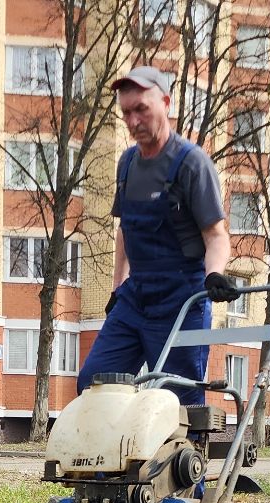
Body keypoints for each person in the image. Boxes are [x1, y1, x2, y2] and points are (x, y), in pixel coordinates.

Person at [77, 66, 237, 407]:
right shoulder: (127, 164)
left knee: (179, 401)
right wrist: (118, 287)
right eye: (126, 113)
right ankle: (120, 443)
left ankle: (180, 445)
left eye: (141, 110)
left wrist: (215, 274)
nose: (133, 121)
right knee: (94, 384)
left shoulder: (192, 164)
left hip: (181, 300)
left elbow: (216, 236)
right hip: (135, 298)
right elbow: (125, 230)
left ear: (165, 103)